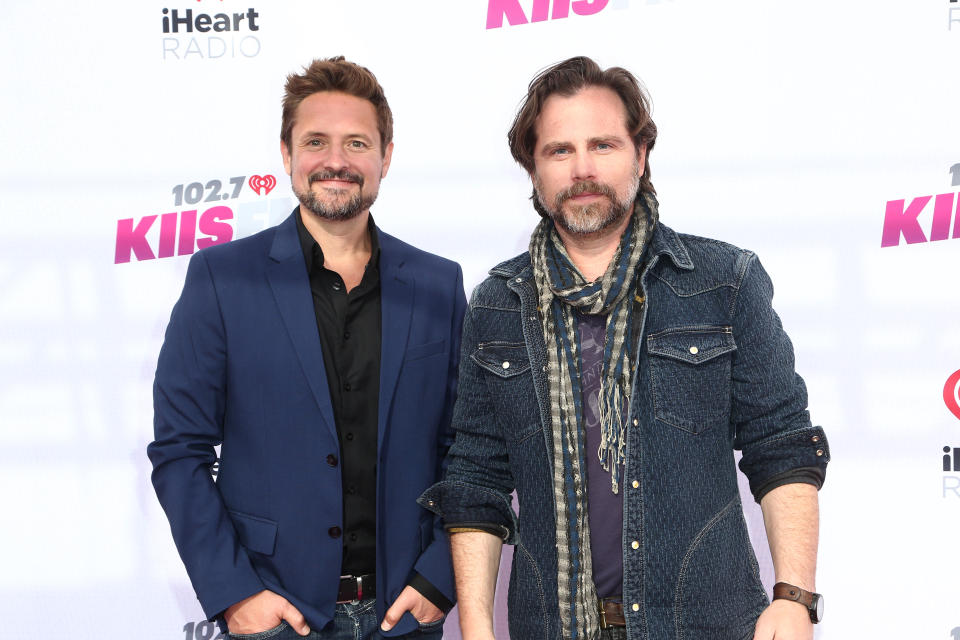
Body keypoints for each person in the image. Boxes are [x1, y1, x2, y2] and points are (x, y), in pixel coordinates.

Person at [419, 56, 829, 640]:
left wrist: (794, 598)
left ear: (640, 155)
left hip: (706, 627)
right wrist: (479, 629)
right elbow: (478, 477)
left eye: (603, 145)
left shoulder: (723, 280)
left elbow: (781, 444)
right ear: (532, 168)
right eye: (559, 151)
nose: (582, 168)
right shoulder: (497, 302)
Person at [148, 57, 465, 640]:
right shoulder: (222, 278)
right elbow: (180, 450)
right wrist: (236, 594)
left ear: (385, 156)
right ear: (287, 153)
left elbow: (467, 450)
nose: (336, 161)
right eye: (316, 141)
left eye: (357, 143)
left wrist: (438, 580)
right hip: (275, 616)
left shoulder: (437, 285)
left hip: (404, 617)